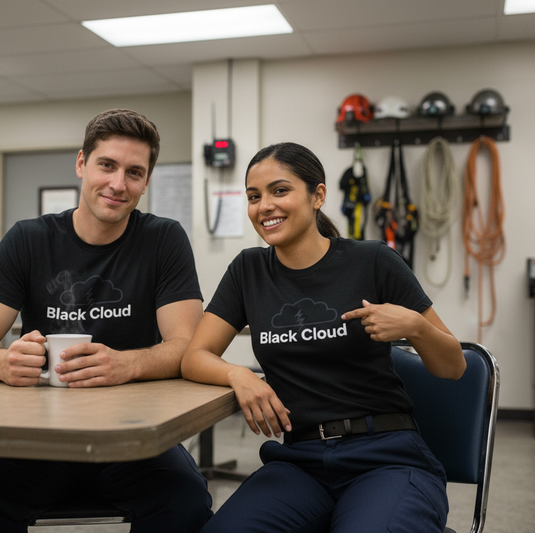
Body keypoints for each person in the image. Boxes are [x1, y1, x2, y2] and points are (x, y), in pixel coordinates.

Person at [181, 142, 466, 532]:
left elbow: (454, 366)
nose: (264, 205)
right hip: (301, 460)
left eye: (280, 191)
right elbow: (195, 355)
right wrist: (240, 375)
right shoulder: (248, 270)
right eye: (253, 196)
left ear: (318, 196)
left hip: (386, 456)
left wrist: (415, 327)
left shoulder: (374, 260)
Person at [0, 109, 211, 532]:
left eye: (133, 172)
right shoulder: (28, 239)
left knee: (185, 503)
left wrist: (126, 364)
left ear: (146, 182)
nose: (117, 183)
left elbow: (187, 346)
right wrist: (2, 362)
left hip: (132, 437)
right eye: (106, 165)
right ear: (81, 164)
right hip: (37, 437)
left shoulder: (163, 239)